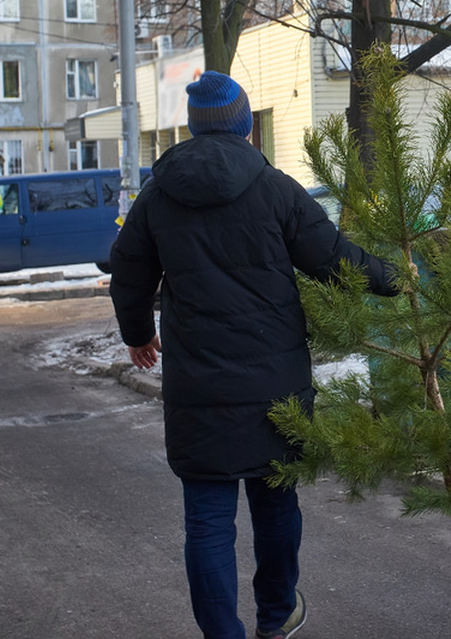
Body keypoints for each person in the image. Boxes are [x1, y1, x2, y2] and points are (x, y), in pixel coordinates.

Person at [109, 70, 401, 639]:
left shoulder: (158, 194)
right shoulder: (275, 187)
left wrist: (138, 333)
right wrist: (397, 280)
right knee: (275, 503)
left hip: (199, 387)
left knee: (207, 521)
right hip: (275, 381)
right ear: (245, 125)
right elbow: (334, 258)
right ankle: (276, 614)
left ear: (194, 127)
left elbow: (128, 271)